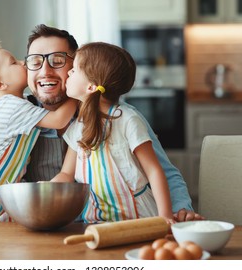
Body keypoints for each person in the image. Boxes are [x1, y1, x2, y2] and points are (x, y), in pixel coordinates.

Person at [0, 24, 203, 223]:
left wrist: (179, 209)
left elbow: (163, 172)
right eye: (35, 62)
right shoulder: (22, 118)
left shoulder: (121, 118)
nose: (46, 71)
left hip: (100, 227)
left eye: (58, 61)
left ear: (80, 70)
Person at [51, 42, 174, 224]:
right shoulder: (78, 126)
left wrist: (165, 217)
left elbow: (154, 170)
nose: (68, 72)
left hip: (139, 219)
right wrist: (46, 189)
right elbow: (66, 174)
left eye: (74, 70)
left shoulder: (127, 120)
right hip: (96, 221)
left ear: (91, 87)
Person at [0, 40, 77, 220]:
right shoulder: (10, 106)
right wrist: (78, 94)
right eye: (13, 62)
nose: (22, 62)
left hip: (2, 185)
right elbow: (59, 120)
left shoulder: (20, 104)